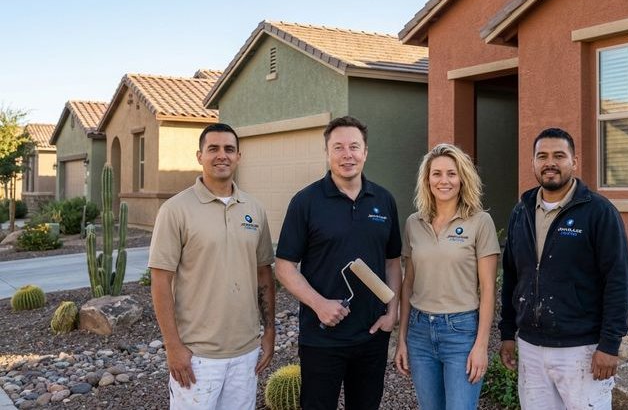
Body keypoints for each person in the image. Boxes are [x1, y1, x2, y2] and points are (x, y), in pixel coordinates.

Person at [498, 127, 628, 410]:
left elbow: (618, 281)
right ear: (533, 162)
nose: (550, 163)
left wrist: (609, 345)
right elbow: (512, 276)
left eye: (559, 155)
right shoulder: (521, 212)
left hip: (581, 349)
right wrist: (508, 333)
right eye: (542, 156)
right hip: (531, 348)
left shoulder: (598, 212)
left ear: (574, 161)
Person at [274, 115, 402, 410]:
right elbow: (284, 266)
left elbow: (393, 262)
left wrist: (391, 313)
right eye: (339, 147)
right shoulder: (305, 202)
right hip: (322, 339)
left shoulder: (383, 200)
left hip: (371, 336)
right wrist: (319, 304)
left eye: (354, 147)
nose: (348, 155)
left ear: (366, 152)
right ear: (327, 153)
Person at [149, 123, 275, 410]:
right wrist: (173, 346)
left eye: (229, 149)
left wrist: (268, 332)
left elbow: (263, 274)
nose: (222, 155)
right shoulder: (175, 209)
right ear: (199, 156)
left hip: (245, 352)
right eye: (213, 149)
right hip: (197, 356)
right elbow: (160, 281)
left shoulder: (254, 209)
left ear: (239, 156)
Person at [394, 143, 500, 409]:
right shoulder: (413, 223)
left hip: (461, 332)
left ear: (462, 178)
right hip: (419, 332)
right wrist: (402, 340)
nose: (444, 181)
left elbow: (488, 288)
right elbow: (408, 285)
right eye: (437, 174)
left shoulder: (479, 222)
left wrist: (481, 346)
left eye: (451, 174)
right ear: (427, 180)